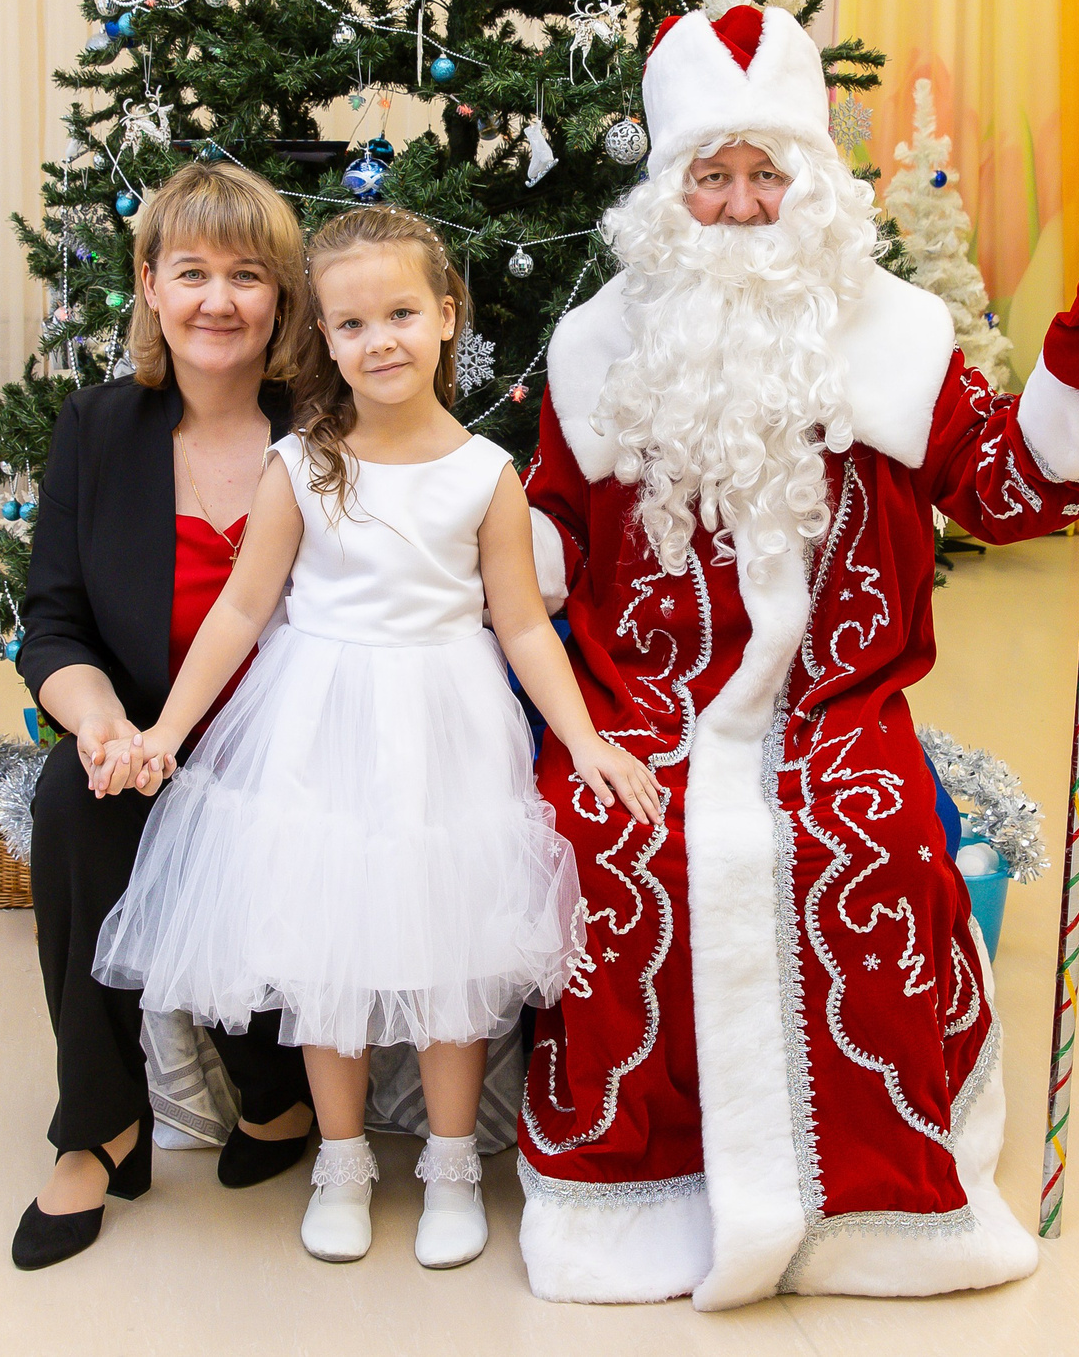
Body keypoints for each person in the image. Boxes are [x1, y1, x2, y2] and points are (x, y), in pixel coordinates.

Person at [512, 2, 1079, 1308]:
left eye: (769, 174)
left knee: (865, 832)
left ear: (812, 183)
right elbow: (535, 527)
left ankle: (877, 1209)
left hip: (834, 704)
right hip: (643, 700)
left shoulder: (898, 331)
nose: (745, 204)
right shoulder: (597, 348)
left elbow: (1010, 487)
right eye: (715, 174)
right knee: (608, 835)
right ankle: (630, 1201)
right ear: (670, 188)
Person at [90, 206, 661, 1270]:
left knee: (449, 948)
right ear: (325, 336)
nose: (380, 339)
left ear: (446, 316)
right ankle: (342, 1156)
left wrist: (583, 739)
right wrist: (168, 726)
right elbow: (240, 610)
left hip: (444, 721)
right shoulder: (302, 464)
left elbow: (523, 621)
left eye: (402, 312)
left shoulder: (485, 472)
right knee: (326, 946)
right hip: (316, 721)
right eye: (351, 323)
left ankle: (450, 1163)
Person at [10, 161, 322, 1272]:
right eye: (191, 272)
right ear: (148, 284)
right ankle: (100, 1127)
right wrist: (97, 722)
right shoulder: (99, 427)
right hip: (146, 736)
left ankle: (279, 1100)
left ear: (281, 295)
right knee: (70, 797)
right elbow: (52, 623)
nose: (218, 300)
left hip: (303, 748)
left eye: (247, 275)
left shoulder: (328, 426)